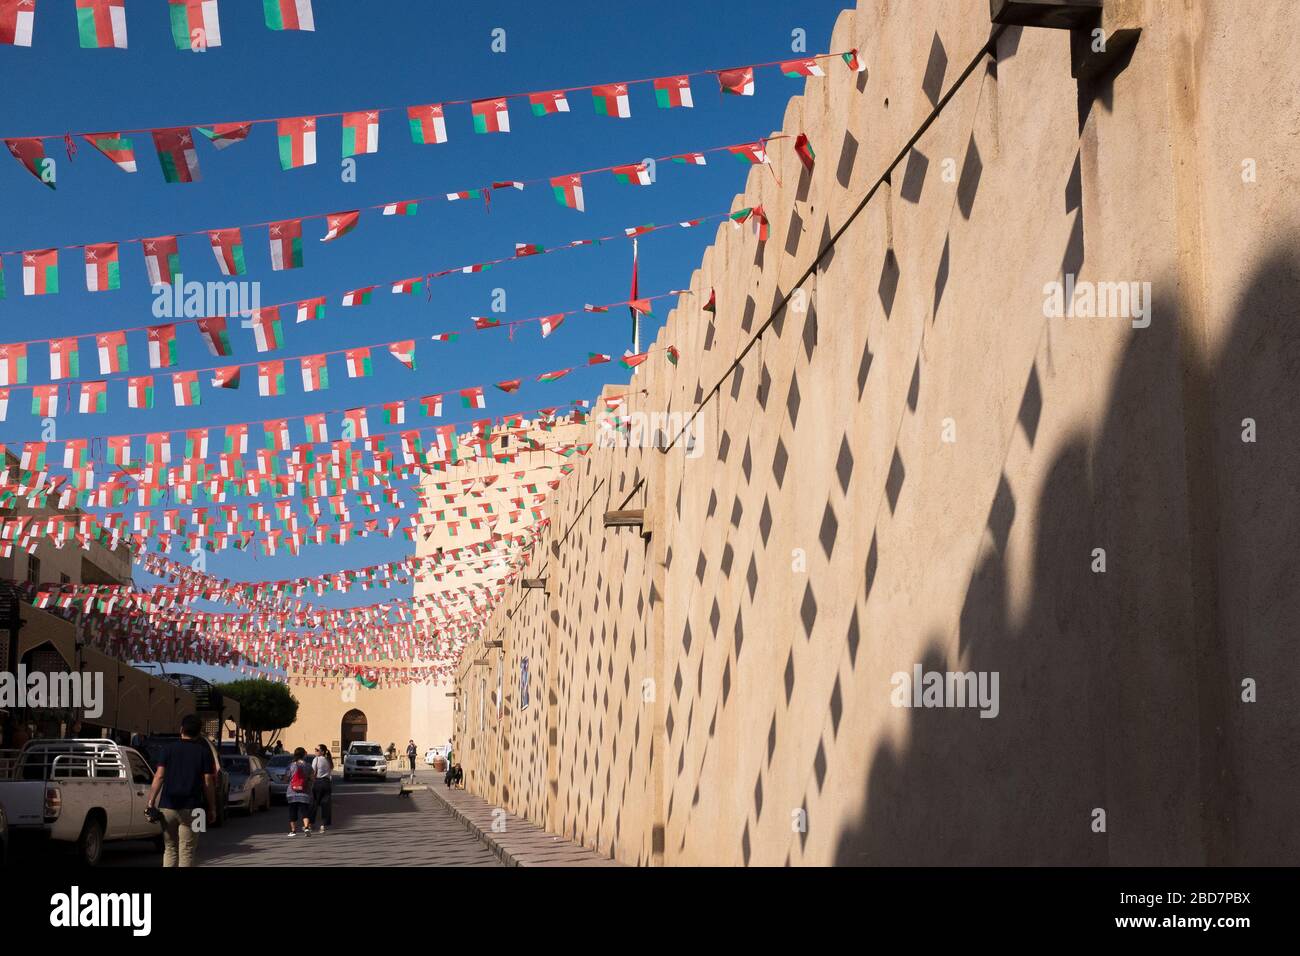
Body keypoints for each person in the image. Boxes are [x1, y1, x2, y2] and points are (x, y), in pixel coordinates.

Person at [145, 714, 217, 867]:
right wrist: (212, 808)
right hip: (195, 809)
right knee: (188, 850)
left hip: (167, 807)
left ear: (181, 729)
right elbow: (208, 782)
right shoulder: (204, 752)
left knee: (169, 849)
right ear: (199, 733)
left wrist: (151, 803)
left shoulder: (168, 749)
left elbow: (159, 777)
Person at [285, 747, 314, 837]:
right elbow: (313, 778)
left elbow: (286, 778)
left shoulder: (291, 766)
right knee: (305, 811)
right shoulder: (308, 766)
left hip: (292, 792)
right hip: (304, 792)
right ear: (303, 755)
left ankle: (293, 831)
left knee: (292, 811)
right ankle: (306, 828)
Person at [310, 744, 333, 833]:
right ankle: (323, 825)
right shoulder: (328, 760)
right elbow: (331, 769)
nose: (315, 751)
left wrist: (311, 782)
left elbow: (314, 772)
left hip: (318, 782)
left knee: (314, 804)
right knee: (326, 804)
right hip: (327, 783)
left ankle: (311, 824)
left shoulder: (316, 759)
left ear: (322, 752)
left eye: (317, 750)